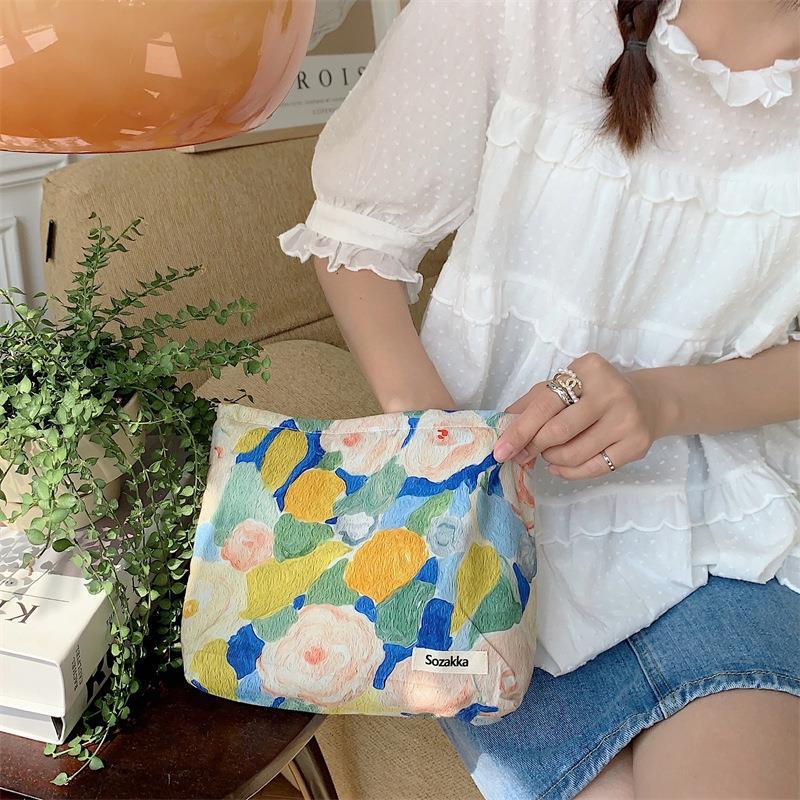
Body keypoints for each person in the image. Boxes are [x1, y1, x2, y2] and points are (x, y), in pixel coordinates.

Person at [277, 0, 800, 796]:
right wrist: (446, 452)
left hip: (723, 531)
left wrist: (661, 401)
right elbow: (359, 234)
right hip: (495, 546)